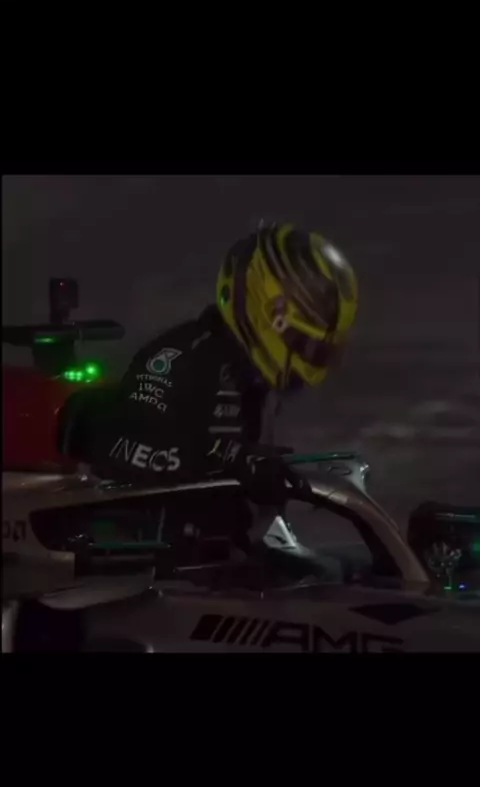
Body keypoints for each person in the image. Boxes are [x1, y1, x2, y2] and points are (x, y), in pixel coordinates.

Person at [62, 222, 358, 555]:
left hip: (225, 560)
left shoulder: (256, 381)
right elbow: (116, 444)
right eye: (304, 345)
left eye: (321, 351)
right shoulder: (180, 357)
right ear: (269, 315)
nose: (310, 362)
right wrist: (233, 460)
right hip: (150, 564)